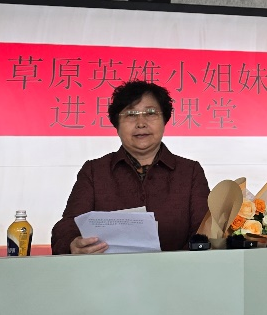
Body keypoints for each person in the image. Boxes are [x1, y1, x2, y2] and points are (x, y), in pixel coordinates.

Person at [51, 81, 209, 254]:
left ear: (165, 120)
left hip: (177, 269)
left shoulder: (190, 172)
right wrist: (72, 243)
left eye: (151, 113)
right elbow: (68, 224)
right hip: (107, 269)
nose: (141, 123)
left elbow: (204, 231)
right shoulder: (94, 171)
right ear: (116, 124)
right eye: (131, 114)